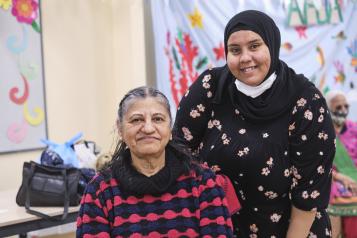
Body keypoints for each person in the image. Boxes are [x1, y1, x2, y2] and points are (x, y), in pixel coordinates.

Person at [173, 10, 335, 237]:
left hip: (292, 229)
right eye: (235, 50)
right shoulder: (211, 87)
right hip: (219, 228)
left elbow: (309, 192)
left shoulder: (305, 100)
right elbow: (179, 152)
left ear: (272, 44)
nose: (245, 58)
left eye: (254, 46)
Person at [76, 86, 234, 237]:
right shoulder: (100, 190)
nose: (148, 128)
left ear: (170, 127)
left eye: (158, 119)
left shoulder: (202, 182)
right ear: (120, 129)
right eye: (137, 120)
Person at [325, 90, 357, 238]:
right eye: (338, 107)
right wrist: (341, 178)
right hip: (334, 181)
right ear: (328, 108)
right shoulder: (322, 133)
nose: (343, 110)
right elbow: (319, 164)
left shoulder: (354, 128)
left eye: (346, 106)